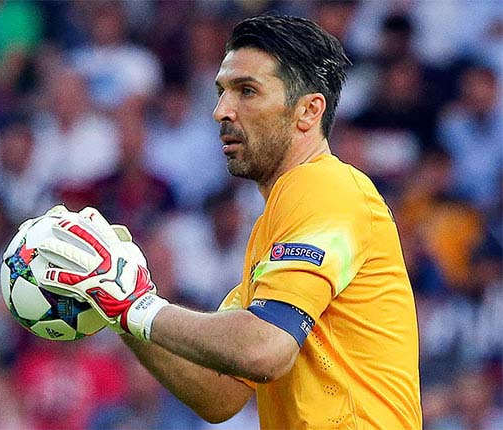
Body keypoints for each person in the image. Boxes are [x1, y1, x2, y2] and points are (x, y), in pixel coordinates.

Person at [33, 15, 422, 428]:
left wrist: (135, 307)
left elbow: (266, 349)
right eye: (221, 92)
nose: (221, 111)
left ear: (308, 111)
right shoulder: (274, 224)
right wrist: (120, 303)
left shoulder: (326, 187)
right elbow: (220, 393)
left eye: (247, 91)